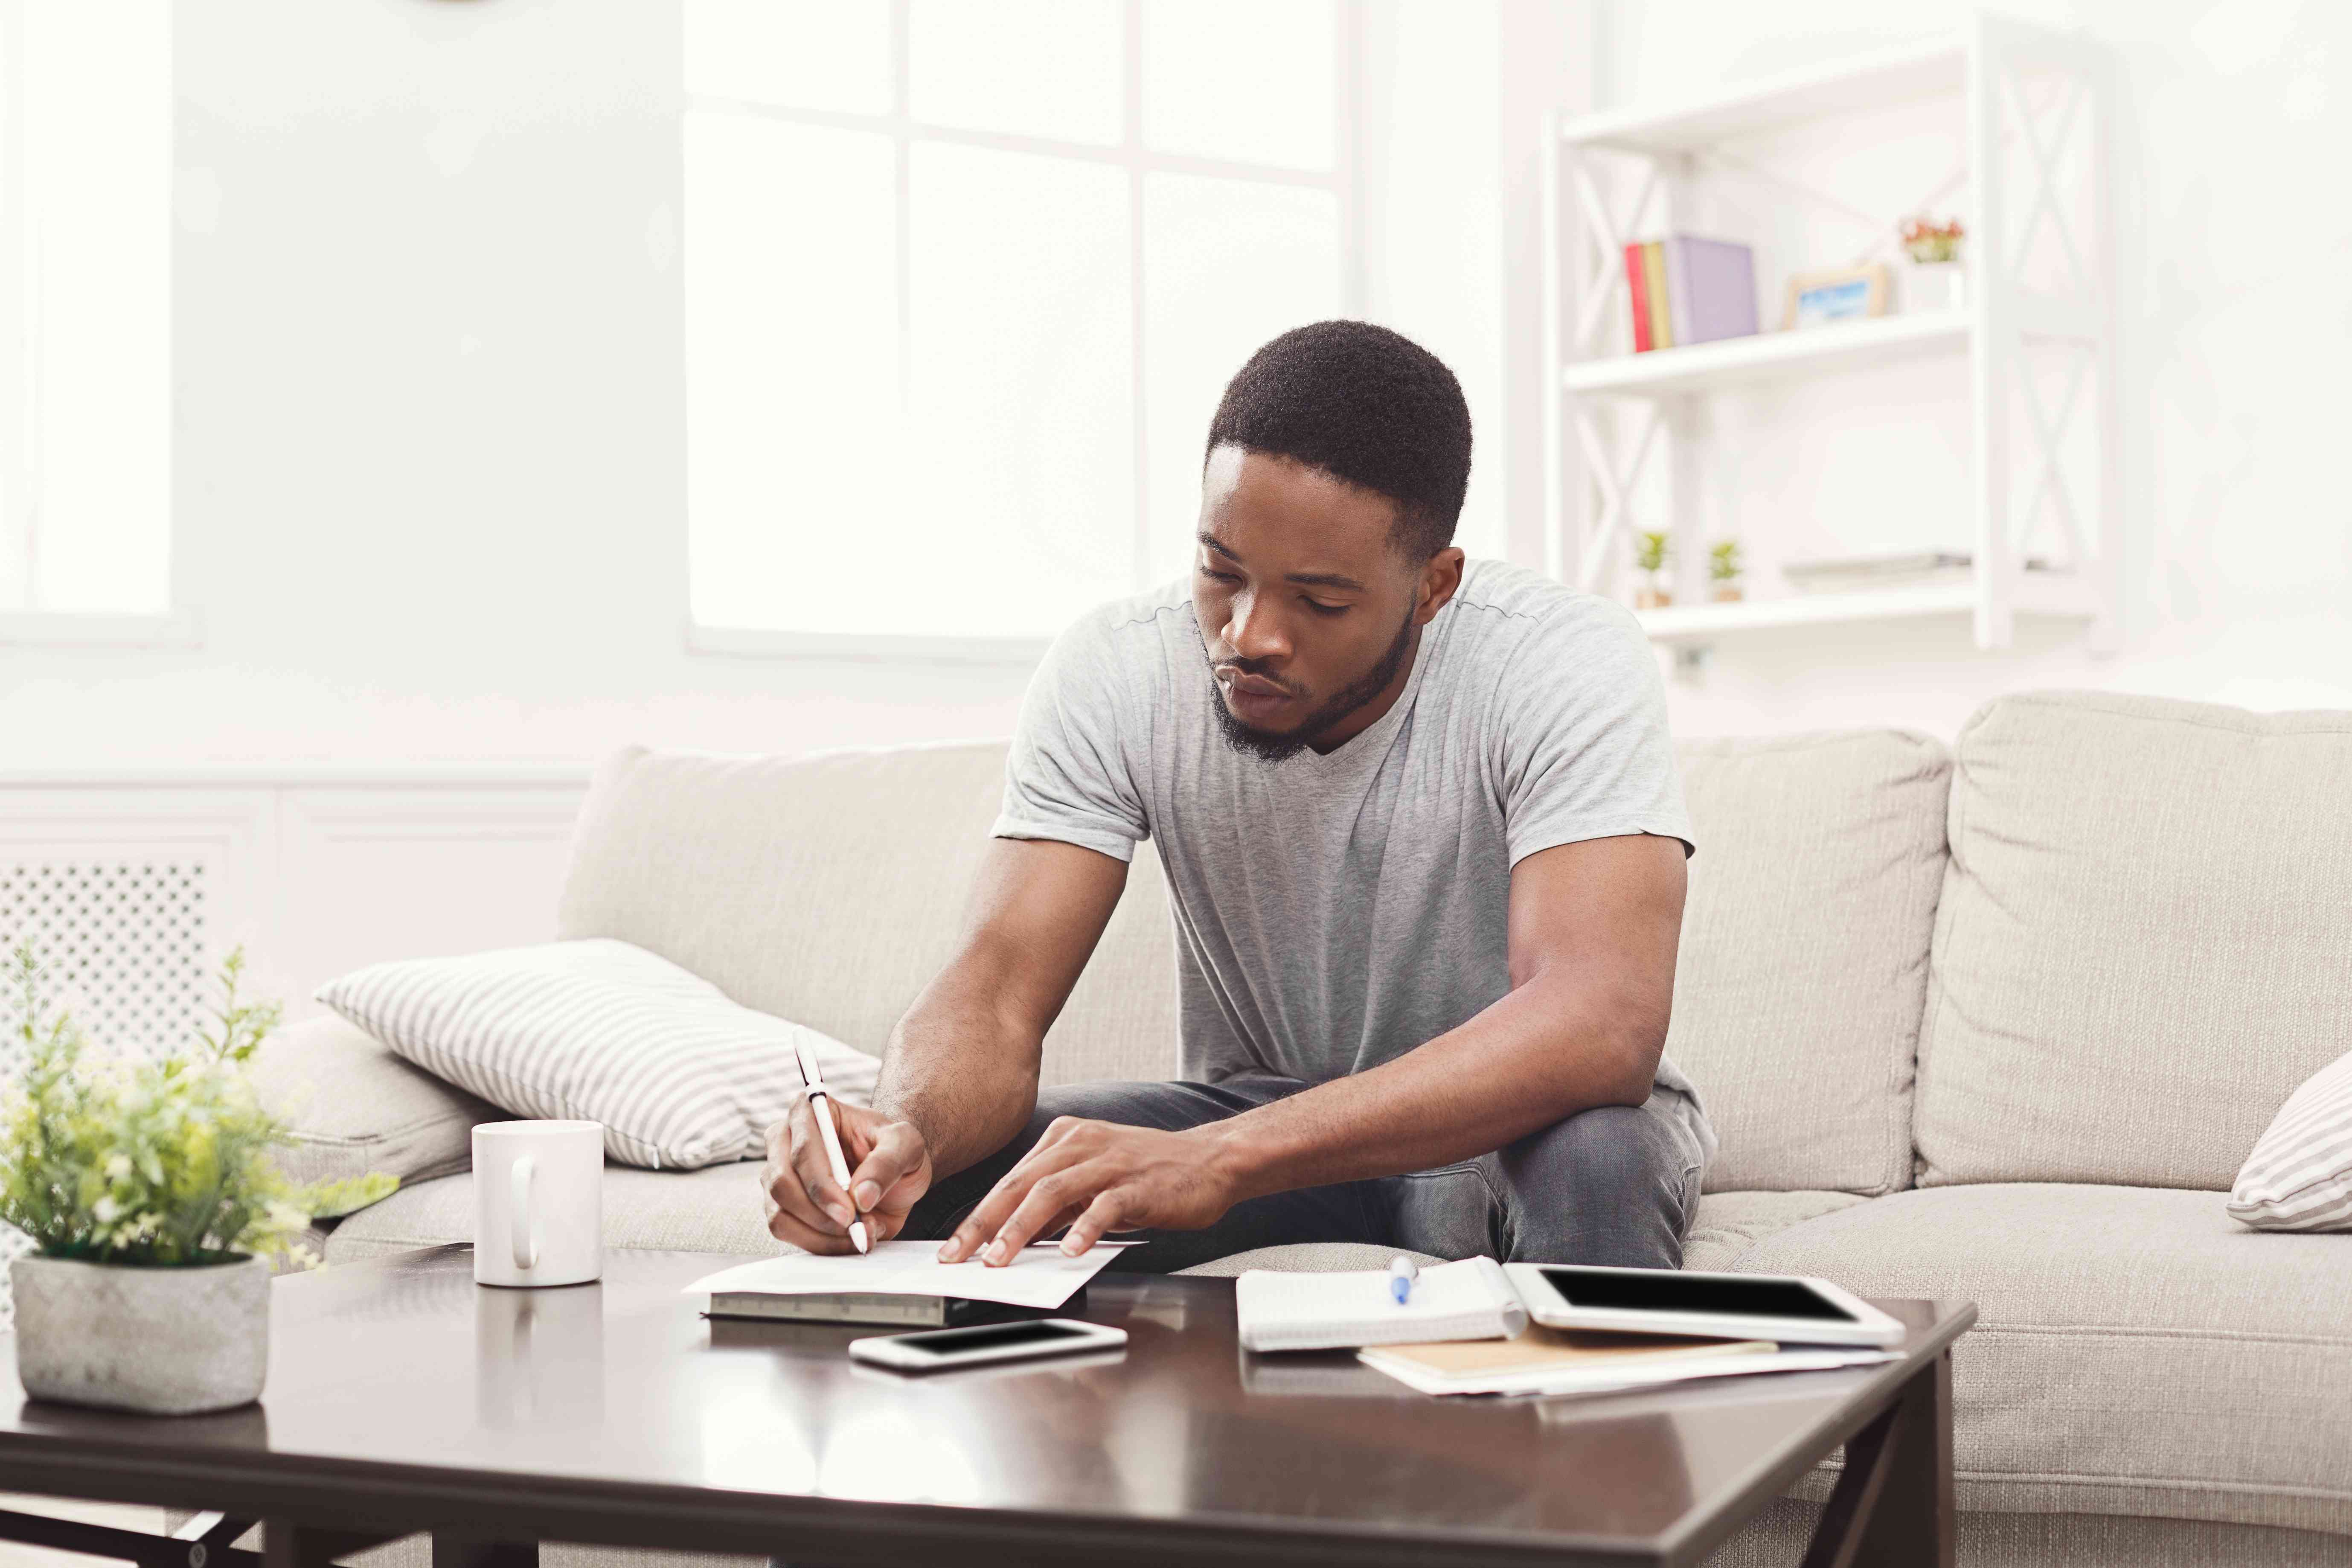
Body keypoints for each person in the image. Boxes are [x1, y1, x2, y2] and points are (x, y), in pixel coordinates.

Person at [764, 320, 1714, 1274]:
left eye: (1321, 600)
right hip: (1261, 1123)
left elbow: (1600, 1021)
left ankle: (1598, 1425)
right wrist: (904, 1133)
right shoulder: (1121, 668)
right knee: (957, 1192)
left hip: (1525, 1128)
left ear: (1433, 587)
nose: (1248, 634)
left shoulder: (1559, 658)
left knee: (1600, 1162)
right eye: (1222, 571)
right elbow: (999, 986)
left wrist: (1223, 1155)